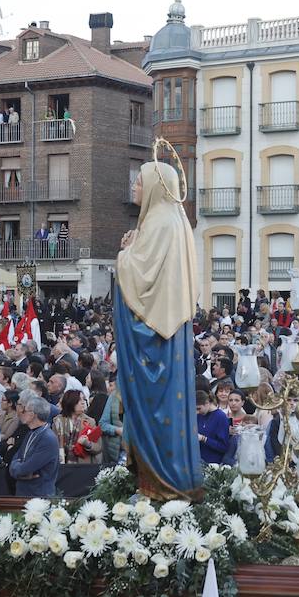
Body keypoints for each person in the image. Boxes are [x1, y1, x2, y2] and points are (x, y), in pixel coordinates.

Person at [114, 159, 203, 500]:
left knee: (156, 408)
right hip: (173, 336)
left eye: (139, 182)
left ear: (154, 186)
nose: (134, 187)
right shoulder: (176, 220)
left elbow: (139, 279)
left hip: (155, 340)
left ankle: (158, 487)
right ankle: (168, 481)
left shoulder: (158, 223)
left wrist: (125, 254)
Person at [8, 395, 60, 497]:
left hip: (39, 496)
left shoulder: (47, 438)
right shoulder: (31, 433)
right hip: (25, 492)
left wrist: (17, 469)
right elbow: (16, 459)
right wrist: (17, 469)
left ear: (32, 414)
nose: (22, 413)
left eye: (25, 411)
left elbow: (26, 468)